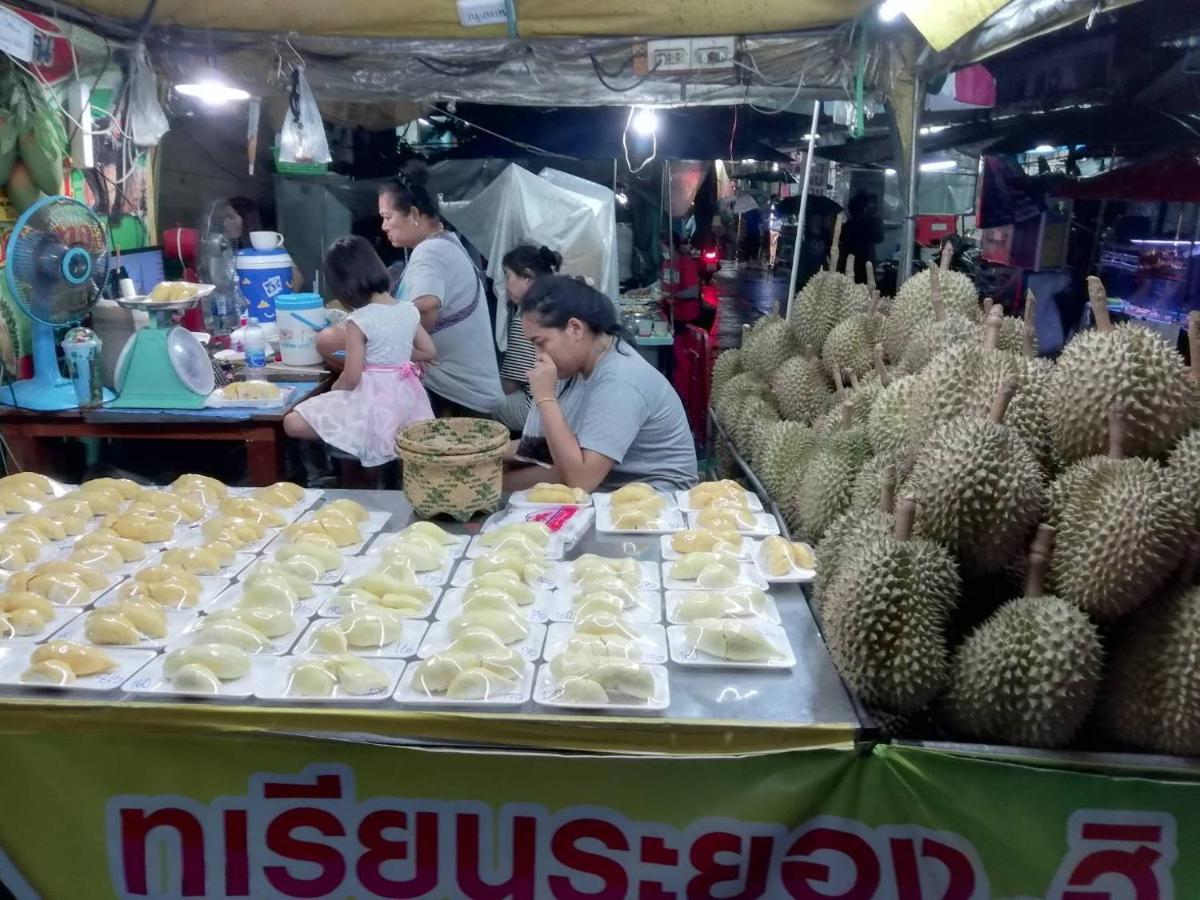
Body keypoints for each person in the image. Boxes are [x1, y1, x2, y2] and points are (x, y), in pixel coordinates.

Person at [320, 161, 502, 417]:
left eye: (387, 217)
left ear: (415, 215)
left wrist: (397, 342)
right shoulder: (445, 241)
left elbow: (427, 305)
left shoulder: (431, 252)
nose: (383, 226)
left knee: (327, 340)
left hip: (455, 388)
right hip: (466, 384)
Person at [503, 275, 698, 493]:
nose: (537, 356)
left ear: (575, 328)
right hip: (608, 484)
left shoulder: (619, 381)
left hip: (656, 504)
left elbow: (580, 480)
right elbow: (558, 453)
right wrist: (491, 455)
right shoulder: (582, 368)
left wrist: (545, 398)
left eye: (540, 343)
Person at [284, 236, 436, 468]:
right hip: (408, 403)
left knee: (291, 422)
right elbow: (429, 351)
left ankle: (333, 463)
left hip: (372, 405)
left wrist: (335, 390)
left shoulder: (359, 320)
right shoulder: (409, 310)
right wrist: (399, 355)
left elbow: (352, 377)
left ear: (344, 284)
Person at [494, 244, 562, 432]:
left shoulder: (528, 317)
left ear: (527, 276)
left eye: (508, 276)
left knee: (483, 402)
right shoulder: (559, 300)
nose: (506, 285)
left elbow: (509, 385)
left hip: (543, 407)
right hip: (567, 400)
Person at [838, 191, 884, 284]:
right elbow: (879, 237)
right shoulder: (867, 224)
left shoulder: (847, 225)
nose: (872, 209)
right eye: (869, 207)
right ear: (863, 208)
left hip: (846, 268)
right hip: (864, 269)